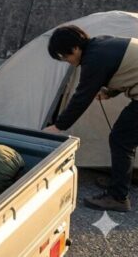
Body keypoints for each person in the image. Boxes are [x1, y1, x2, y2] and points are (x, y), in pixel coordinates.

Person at [44, 25, 138, 212]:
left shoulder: (93, 59)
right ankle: (118, 183)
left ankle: (118, 197)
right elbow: (126, 69)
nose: (68, 62)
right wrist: (109, 92)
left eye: (65, 57)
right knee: (123, 140)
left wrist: (58, 127)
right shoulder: (101, 44)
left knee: (121, 140)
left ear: (75, 49)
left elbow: (82, 97)